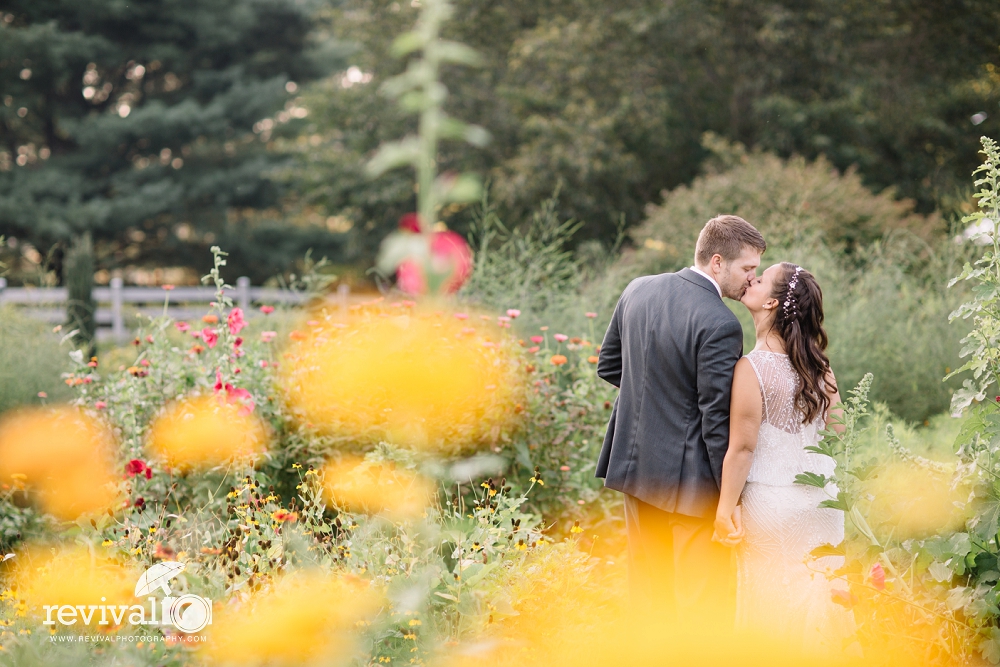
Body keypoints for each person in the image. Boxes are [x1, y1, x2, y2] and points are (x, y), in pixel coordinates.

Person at [595, 214, 766, 626]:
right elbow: (714, 418)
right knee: (702, 608)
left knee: (648, 599)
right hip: (691, 487)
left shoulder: (637, 289)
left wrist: (655, 400)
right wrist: (731, 497)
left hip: (636, 472)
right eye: (748, 269)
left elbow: (609, 366)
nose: (751, 280)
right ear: (718, 262)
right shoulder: (721, 323)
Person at [713, 261, 857, 653]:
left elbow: (742, 449)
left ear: (772, 302)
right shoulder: (821, 369)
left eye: (759, 279)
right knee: (821, 604)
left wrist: (725, 508)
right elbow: (839, 435)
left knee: (771, 607)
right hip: (821, 503)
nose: (751, 281)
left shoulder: (752, 368)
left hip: (772, 506)